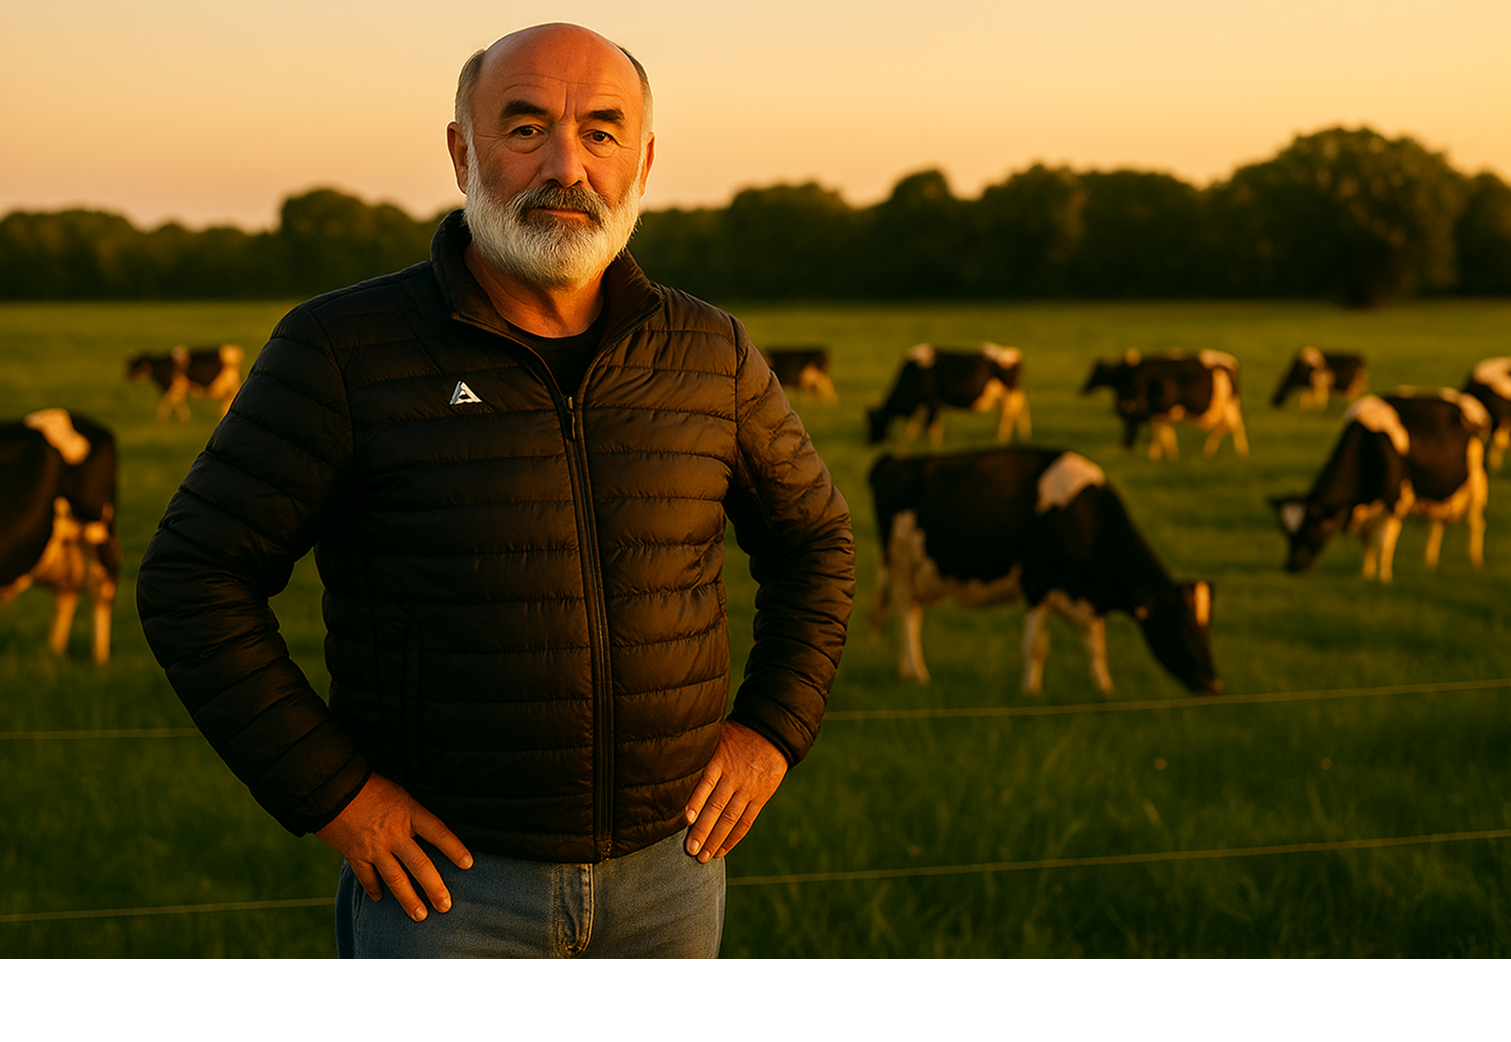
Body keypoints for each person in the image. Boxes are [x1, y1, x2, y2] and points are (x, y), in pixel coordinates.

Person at [137, 22, 854, 958]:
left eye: (601, 131)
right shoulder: (343, 351)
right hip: (447, 895)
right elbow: (192, 580)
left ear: (643, 158)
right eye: (525, 129)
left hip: (671, 879)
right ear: (460, 150)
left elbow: (817, 544)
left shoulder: (706, 350)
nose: (567, 163)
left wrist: (771, 730)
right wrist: (337, 800)